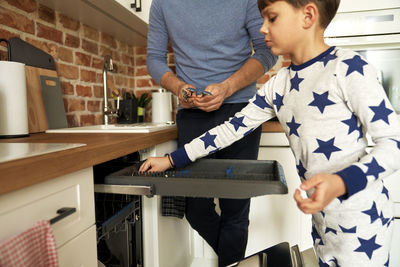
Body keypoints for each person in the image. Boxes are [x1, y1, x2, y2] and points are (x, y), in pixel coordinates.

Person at [142, 0, 400, 266]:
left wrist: (340, 183)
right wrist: (172, 160)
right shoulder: (278, 85)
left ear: (308, 15)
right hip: (323, 224)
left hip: (363, 225)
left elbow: (393, 145)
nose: (262, 29)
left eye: (272, 18)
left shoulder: (349, 68)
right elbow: (229, 130)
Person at [146, 0, 277, 266]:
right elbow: (154, 59)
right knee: (195, 208)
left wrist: (228, 87)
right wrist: (180, 87)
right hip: (192, 114)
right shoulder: (162, 3)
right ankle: (240, 262)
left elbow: (266, 51)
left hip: (242, 111)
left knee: (235, 209)